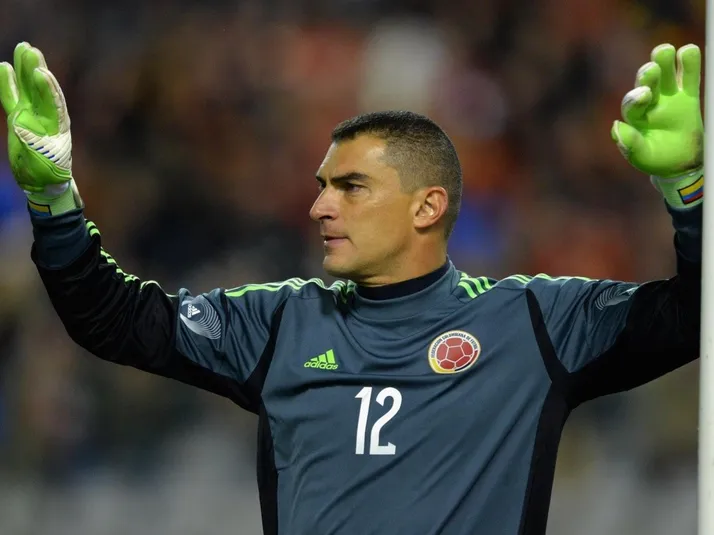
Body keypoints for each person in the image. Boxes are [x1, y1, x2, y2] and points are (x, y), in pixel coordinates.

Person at [0, 41, 703, 535]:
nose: (320, 207)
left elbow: (694, 314)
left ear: (427, 207)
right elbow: (114, 318)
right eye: (322, 187)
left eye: (351, 187)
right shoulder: (278, 322)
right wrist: (54, 199)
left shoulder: (532, 322)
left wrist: (688, 190)